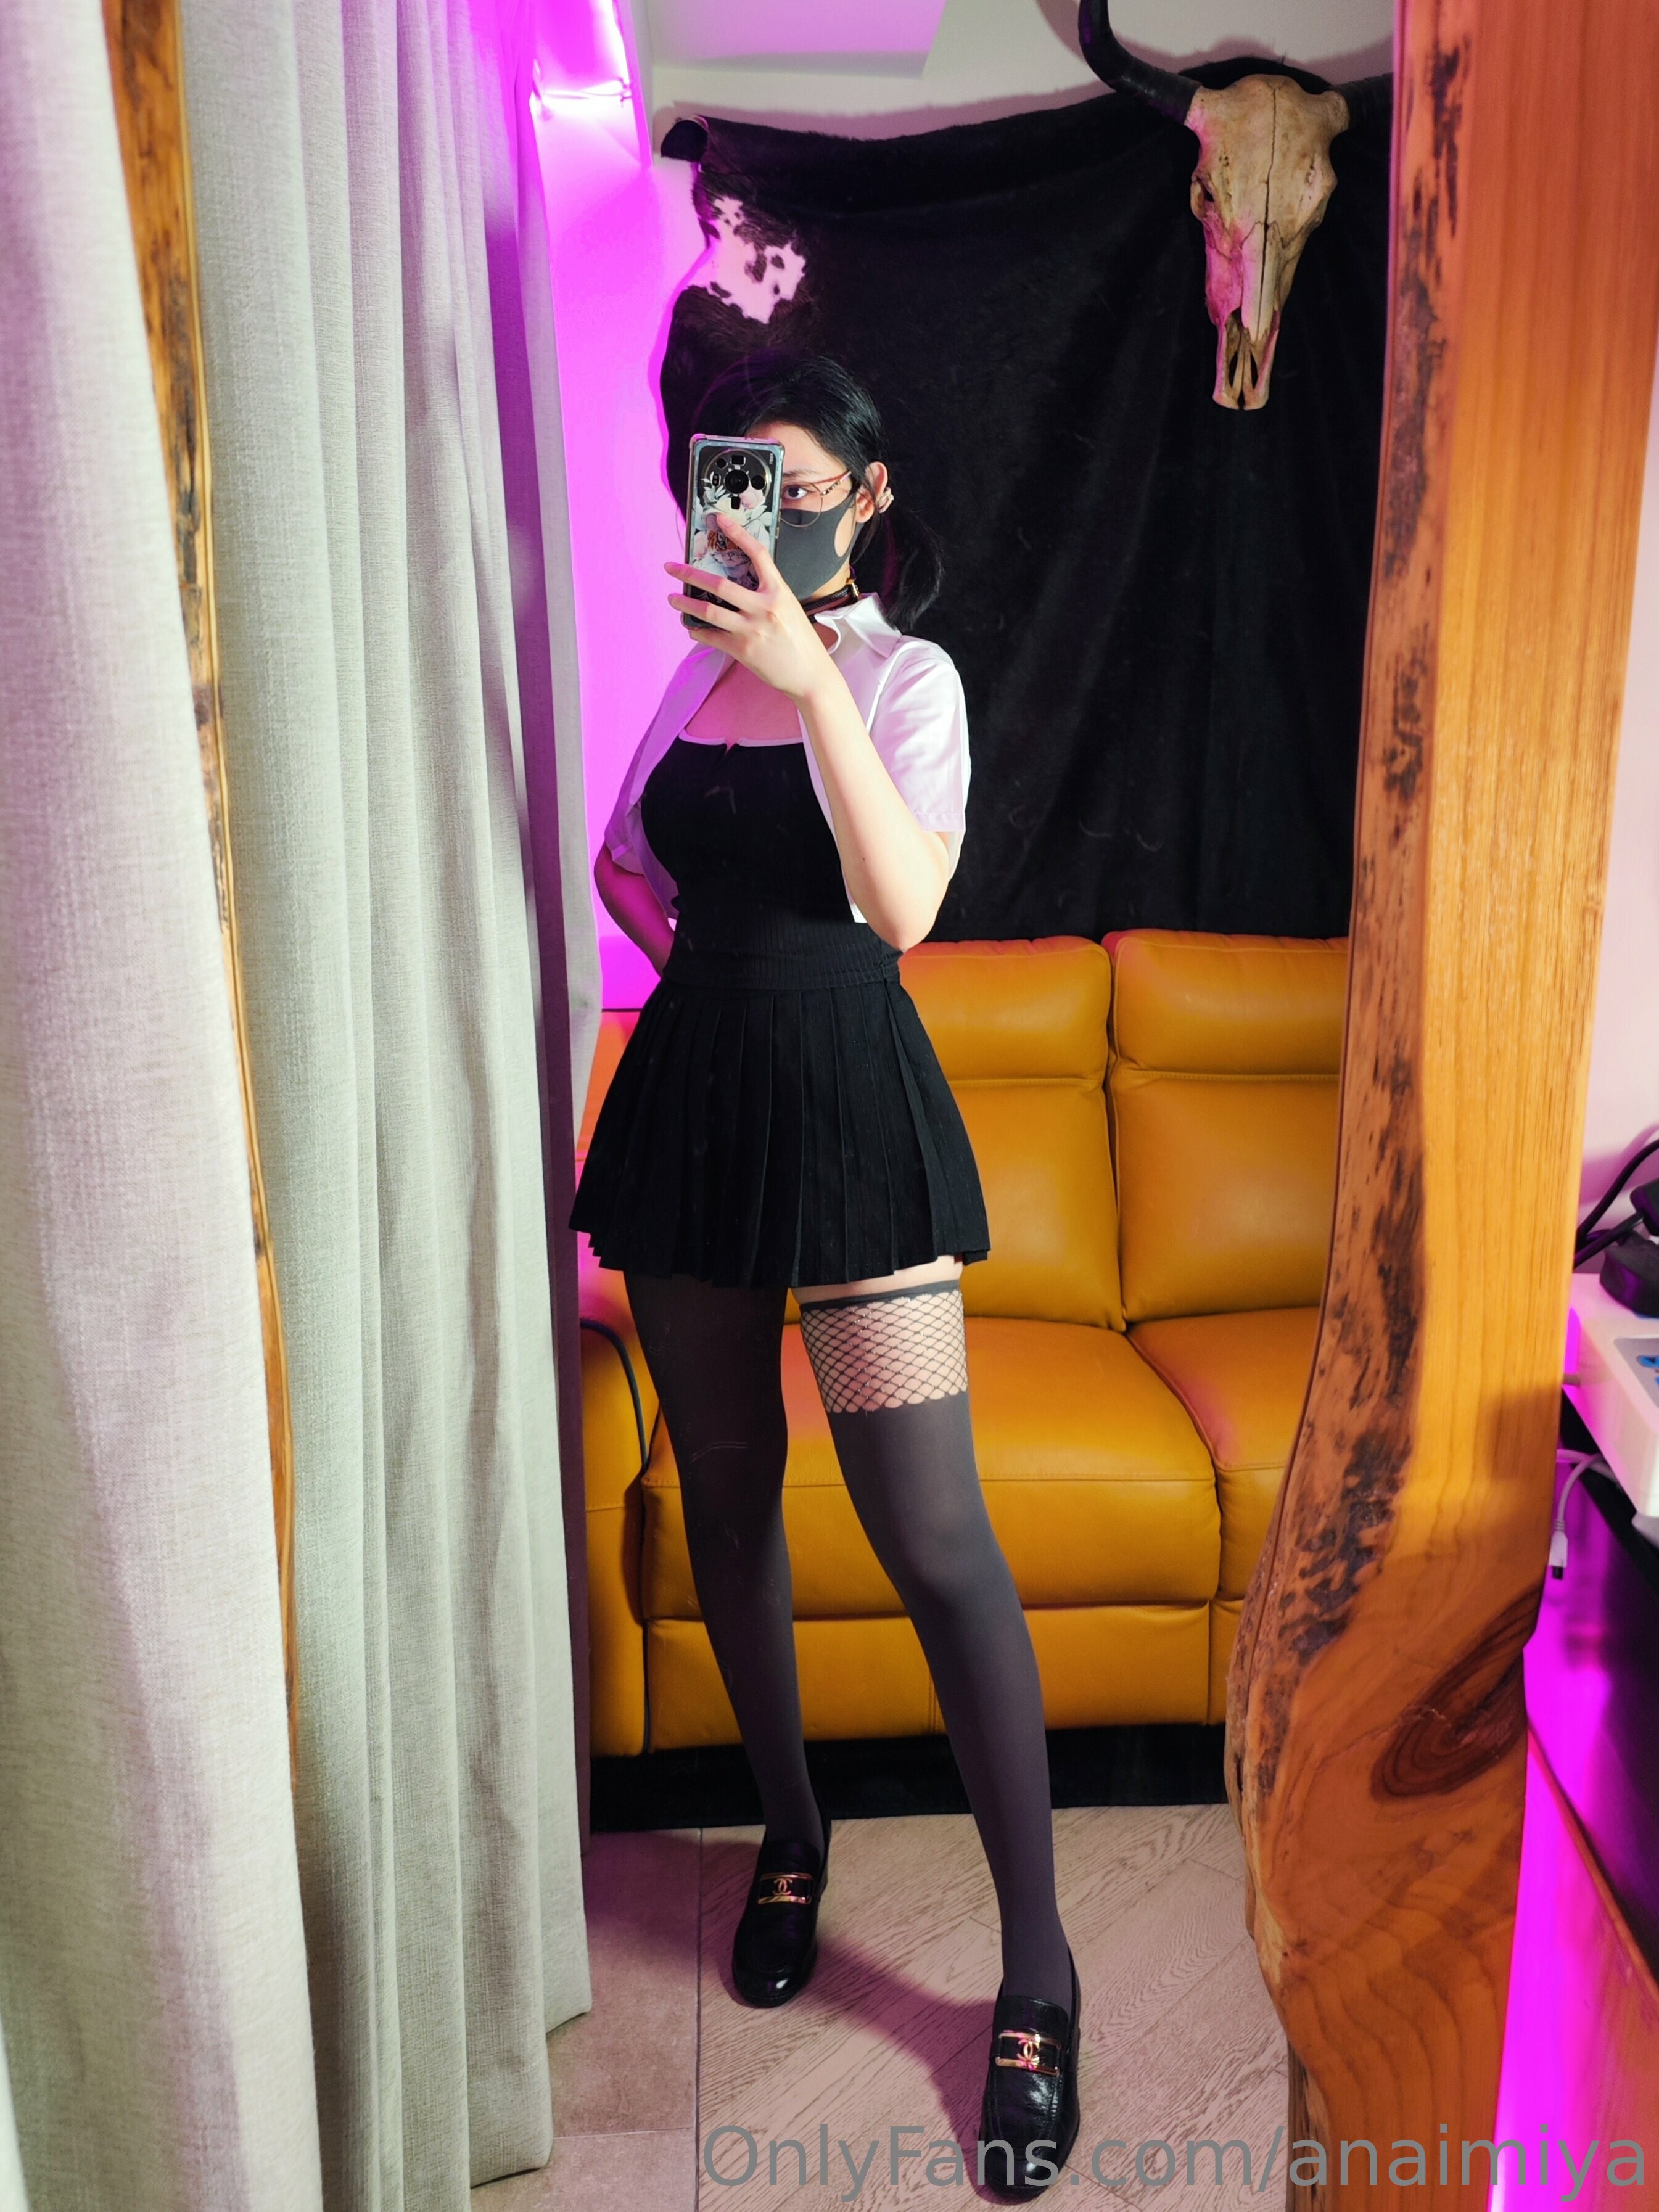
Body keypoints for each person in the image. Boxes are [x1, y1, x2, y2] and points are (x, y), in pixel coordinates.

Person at [570, 351, 1080, 2198]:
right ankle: (790, 1840)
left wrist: (809, 680)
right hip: (698, 1103)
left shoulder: (899, 678)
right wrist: (710, 981)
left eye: (796, 486)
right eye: (736, 480)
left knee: (933, 1534)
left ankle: (1039, 1970)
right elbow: (624, 865)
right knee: (724, 1495)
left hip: (855, 1111)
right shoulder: (689, 670)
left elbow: (905, 907)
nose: (763, 514)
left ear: (863, 497)